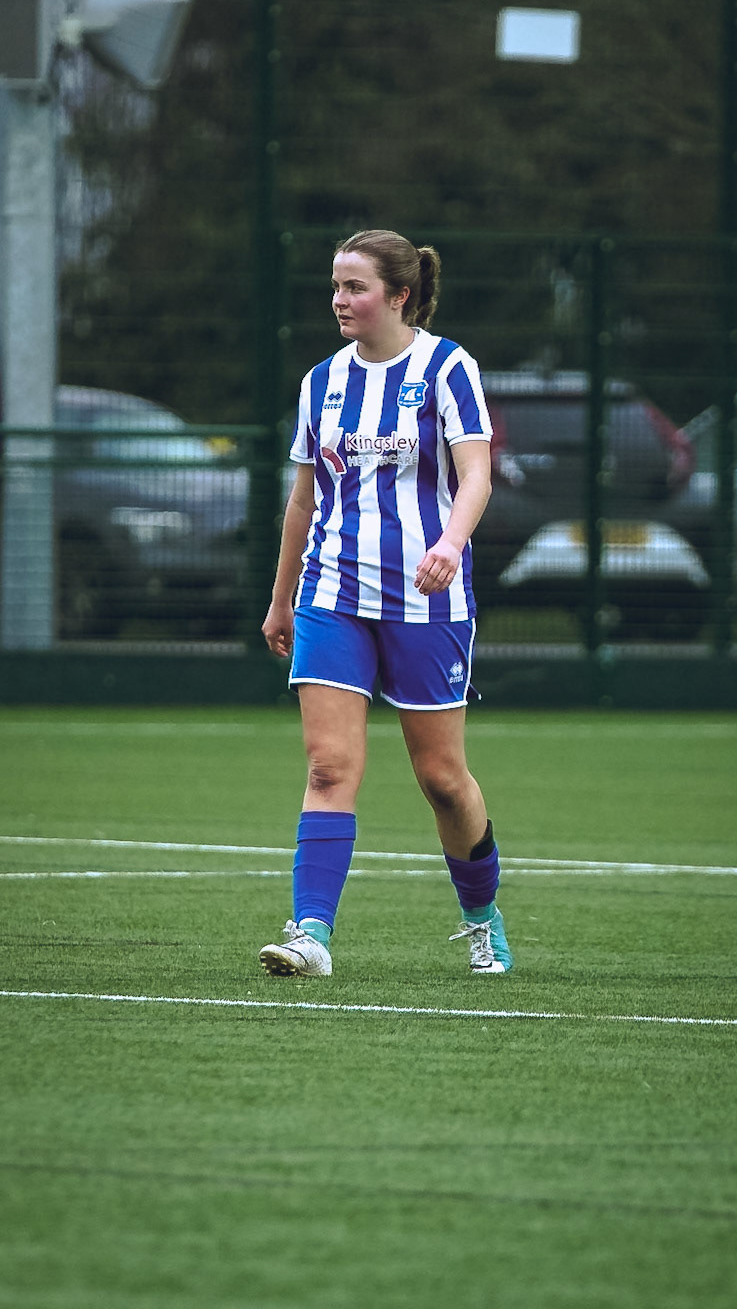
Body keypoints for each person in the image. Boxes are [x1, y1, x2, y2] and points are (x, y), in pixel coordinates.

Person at [259, 229, 512, 977]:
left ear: (400, 295)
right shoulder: (322, 381)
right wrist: (281, 599)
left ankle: (481, 917)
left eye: (355, 287)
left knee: (442, 780)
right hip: (331, 593)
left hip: (427, 599)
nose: (339, 300)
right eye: (335, 286)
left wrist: (451, 544)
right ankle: (310, 934)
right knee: (328, 768)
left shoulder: (446, 367)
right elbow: (302, 500)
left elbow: (476, 474)